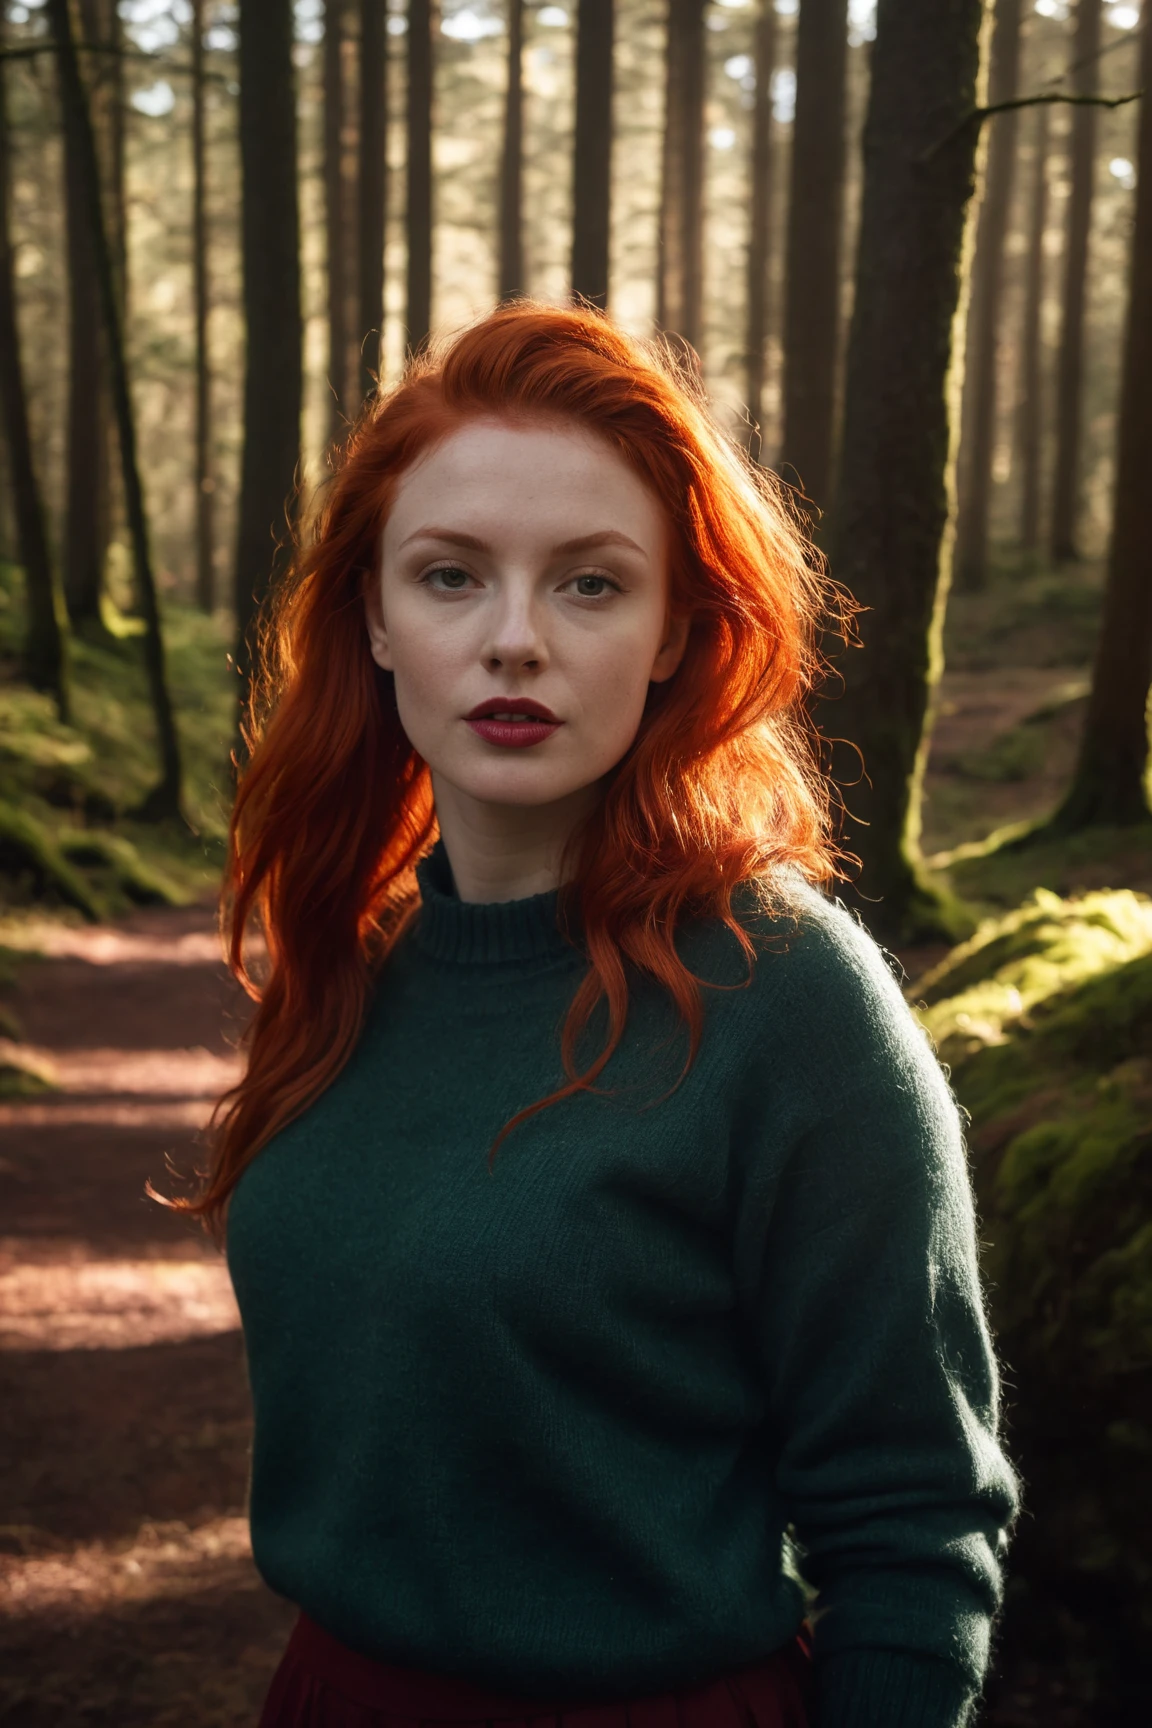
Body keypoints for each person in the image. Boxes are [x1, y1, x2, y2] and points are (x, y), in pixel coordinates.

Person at [159, 302, 1020, 1727]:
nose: (513, 641)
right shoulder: (353, 965)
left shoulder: (788, 1000)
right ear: (372, 612)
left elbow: (916, 1526)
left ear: (681, 628)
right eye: (450, 578)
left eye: (589, 585)